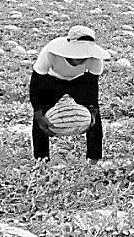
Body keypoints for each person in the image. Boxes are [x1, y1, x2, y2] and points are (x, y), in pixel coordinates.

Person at [29, 25, 109, 162]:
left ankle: (94, 159)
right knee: (40, 118)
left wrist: (92, 111)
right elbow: (36, 83)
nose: (83, 57)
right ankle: (41, 159)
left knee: (95, 120)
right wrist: (38, 112)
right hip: (51, 80)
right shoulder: (50, 52)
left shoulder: (95, 59)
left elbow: (92, 87)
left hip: (80, 81)